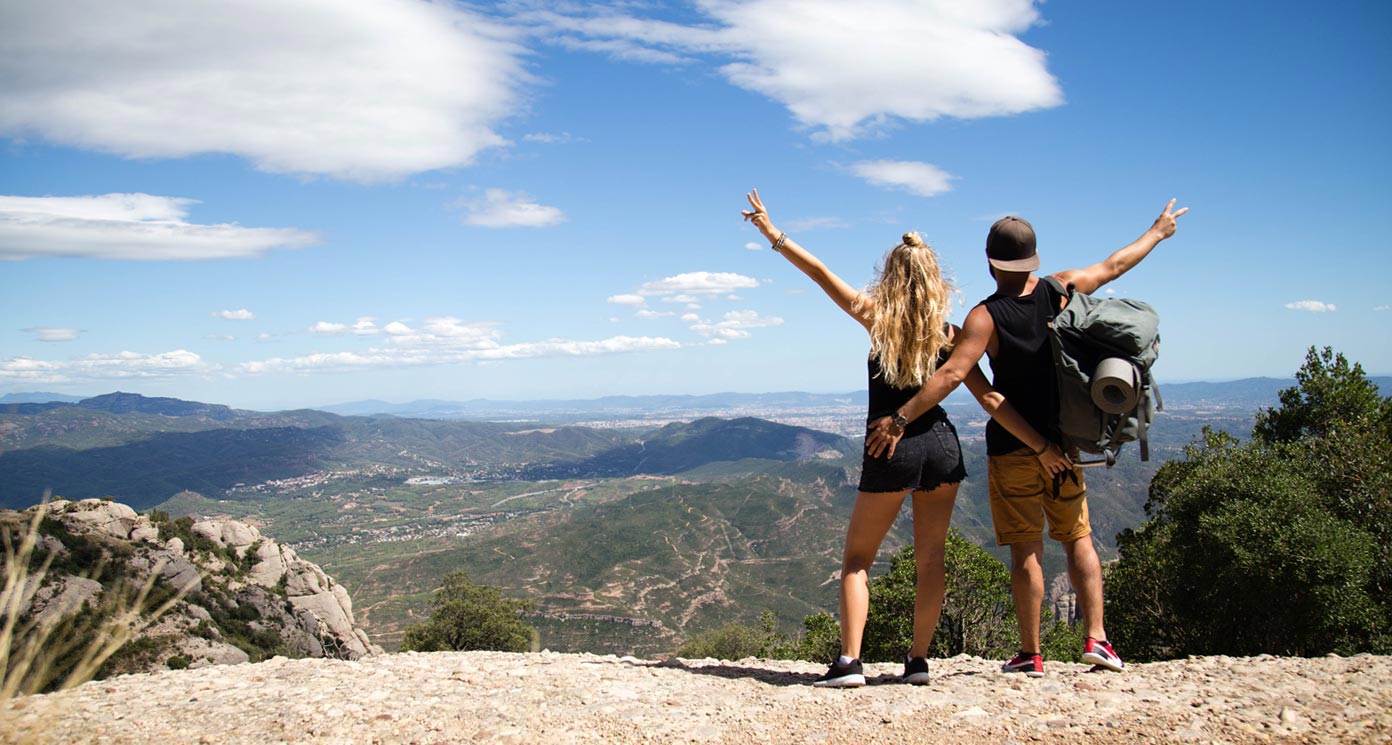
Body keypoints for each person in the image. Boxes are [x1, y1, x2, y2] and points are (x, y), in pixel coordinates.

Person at [741, 189, 1070, 687]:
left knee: (857, 561)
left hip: (890, 448)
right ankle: (917, 661)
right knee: (930, 559)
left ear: (891, 277)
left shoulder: (875, 317)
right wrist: (1043, 444)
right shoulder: (953, 334)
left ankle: (850, 662)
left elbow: (819, 273)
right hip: (941, 448)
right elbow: (984, 394)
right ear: (935, 278)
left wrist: (774, 235)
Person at [865, 199, 1189, 677]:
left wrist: (900, 417)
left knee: (1027, 550)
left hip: (1017, 448)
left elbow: (964, 379)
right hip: (1068, 446)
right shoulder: (1063, 289)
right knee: (1079, 538)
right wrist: (1158, 231)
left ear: (989, 260)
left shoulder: (986, 317)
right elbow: (1116, 263)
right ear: (1034, 257)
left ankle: (1031, 652)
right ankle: (1098, 639)